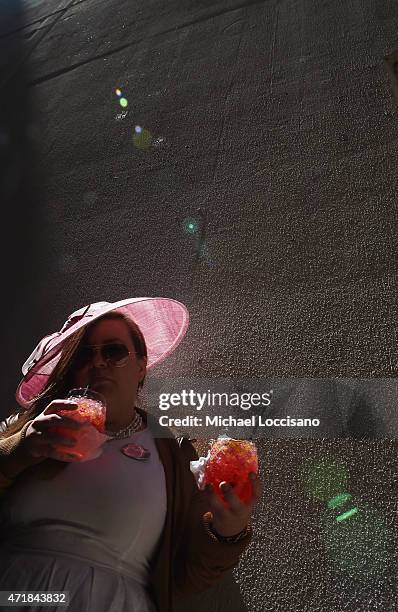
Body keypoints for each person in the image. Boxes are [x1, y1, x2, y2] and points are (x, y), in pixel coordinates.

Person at [0, 297, 262, 612]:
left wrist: (228, 528)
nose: (97, 362)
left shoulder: (171, 454)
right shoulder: (31, 425)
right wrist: (21, 449)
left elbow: (188, 577)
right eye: (84, 354)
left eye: (114, 351)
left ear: (140, 366)